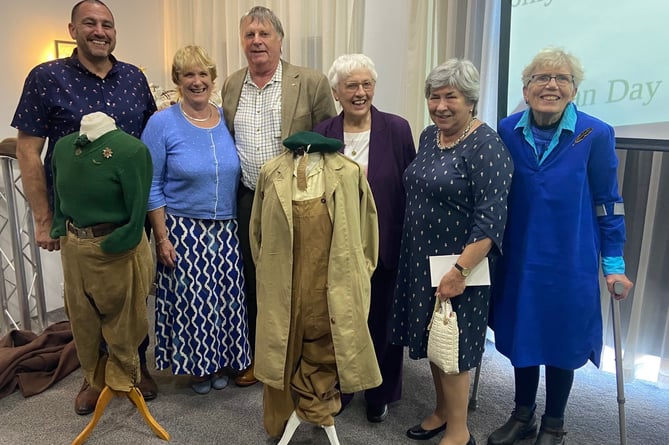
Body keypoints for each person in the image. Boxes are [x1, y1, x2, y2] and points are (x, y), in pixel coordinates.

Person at [10, 0, 158, 415]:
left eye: (107, 24)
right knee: (85, 305)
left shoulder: (133, 78)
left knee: (131, 299)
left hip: (130, 215)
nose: (100, 30)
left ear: (115, 32)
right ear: (72, 29)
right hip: (78, 223)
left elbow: (150, 141)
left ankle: (133, 367)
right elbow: (28, 148)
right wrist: (43, 218)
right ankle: (95, 376)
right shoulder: (46, 78)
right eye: (89, 23)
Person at [487, 47, 633, 445]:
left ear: (573, 89)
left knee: (562, 337)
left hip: (570, 258)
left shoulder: (594, 133)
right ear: (526, 86)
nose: (551, 84)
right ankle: (523, 416)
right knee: (524, 333)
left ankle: (554, 422)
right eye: (541, 77)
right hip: (520, 257)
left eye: (562, 78)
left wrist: (614, 262)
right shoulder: (507, 129)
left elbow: (608, 200)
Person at [391, 59, 513, 445]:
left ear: (471, 100)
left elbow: (492, 220)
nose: (441, 105)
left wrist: (459, 271)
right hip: (422, 260)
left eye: (451, 97)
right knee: (435, 341)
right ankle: (443, 411)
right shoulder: (430, 136)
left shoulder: (487, 145)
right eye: (434, 96)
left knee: (455, 348)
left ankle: (459, 431)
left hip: (461, 266)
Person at [221, 5, 337, 387]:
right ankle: (260, 356)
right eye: (250, 35)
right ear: (242, 42)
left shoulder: (311, 81)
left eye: (264, 34)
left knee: (299, 278)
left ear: (279, 40)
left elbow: (328, 143)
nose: (256, 41)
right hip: (248, 196)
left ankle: (302, 356)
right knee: (254, 278)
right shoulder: (232, 84)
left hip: (298, 202)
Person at [250, 131, 381, 445]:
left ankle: (314, 405)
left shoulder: (348, 173)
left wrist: (358, 277)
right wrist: (268, 274)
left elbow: (367, 235)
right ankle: (283, 420)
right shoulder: (271, 172)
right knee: (282, 352)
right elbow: (257, 234)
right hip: (284, 279)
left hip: (332, 280)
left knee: (329, 345)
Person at [141, 45, 251, 395]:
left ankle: (221, 362)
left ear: (212, 80)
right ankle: (198, 369)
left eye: (203, 74)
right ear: (178, 80)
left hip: (226, 227)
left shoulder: (223, 118)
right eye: (189, 74)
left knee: (225, 298)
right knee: (194, 302)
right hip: (183, 228)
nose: (197, 81)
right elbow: (151, 185)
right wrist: (162, 238)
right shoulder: (161, 123)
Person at [313, 53, 416, 422]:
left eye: (366, 84)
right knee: (340, 319)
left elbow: (409, 188)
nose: (360, 92)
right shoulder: (323, 133)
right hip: (337, 246)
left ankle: (381, 393)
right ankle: (343, 384)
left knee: (383, 320)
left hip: (386, 242)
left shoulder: (398, 128)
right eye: (351, 85)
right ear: (336, 92)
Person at [50, 111, 153, 400]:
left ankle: (126, 376)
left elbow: (139, 204)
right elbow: (58, 192)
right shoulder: (62, 147)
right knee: (81, 316)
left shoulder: (132, 151)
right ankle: (94, 379)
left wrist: (128, 236)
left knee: (124, 318)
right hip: (74, 247)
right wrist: (59, 224)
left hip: (114, 248)